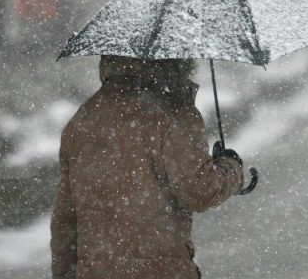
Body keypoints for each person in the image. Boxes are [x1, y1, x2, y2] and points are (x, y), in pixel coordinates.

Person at [51, 55, 245, 279]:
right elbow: (200, 190)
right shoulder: (175, 114)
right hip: (160, 271)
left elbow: (65, 220)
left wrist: (66, 273)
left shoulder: (84, 119)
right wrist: (231, 167)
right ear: (177, 59)